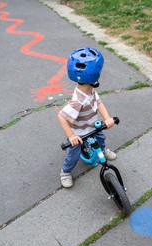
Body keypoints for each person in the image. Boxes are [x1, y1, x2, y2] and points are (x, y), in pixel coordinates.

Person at [58, 47, 116, 188]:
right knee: (74, 154)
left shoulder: (90, 90)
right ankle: (65, 172)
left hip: (92, 126)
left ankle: (102, 151)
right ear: (94, 76)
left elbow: (99, 102)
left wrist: (107, 118)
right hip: (79, 133)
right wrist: (71, 135)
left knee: (101, 138)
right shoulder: (78, 101)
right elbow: (62, 116)